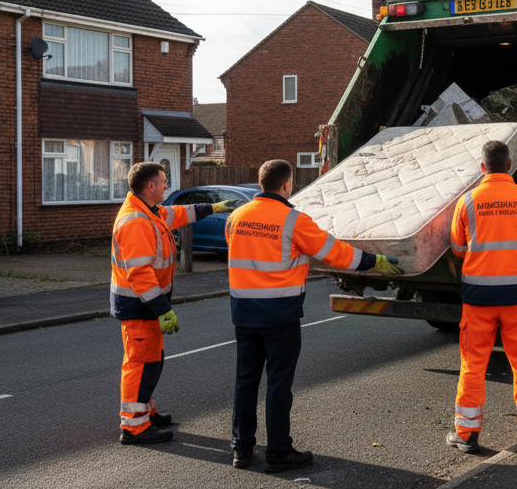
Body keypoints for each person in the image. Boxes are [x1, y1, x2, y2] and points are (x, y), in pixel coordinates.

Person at [224, 159, 402, 472]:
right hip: (280, 315)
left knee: (245, 382)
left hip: (244, 313)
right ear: (286, 184)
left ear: (261, 183)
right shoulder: (293, 220)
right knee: (278, 385)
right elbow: (335, 252)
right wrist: (374, 261)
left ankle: (241, 448)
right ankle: (278, 451)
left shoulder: (236, 217)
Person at [113, 162, 240, 445]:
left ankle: (145, 413)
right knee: (140, 364)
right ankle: (133, 427)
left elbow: (179, 213)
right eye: (164, 181)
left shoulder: (151, 211)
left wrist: (213, 208)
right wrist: (162, 309)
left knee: (152, 361)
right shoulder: (136, 221)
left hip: (145, 305)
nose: (167, 186)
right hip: (140, 306)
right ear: (150, 187)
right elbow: (139, 272)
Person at [446, 140, 517, 454]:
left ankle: (466, 435)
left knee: (473, 365)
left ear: (483, 168)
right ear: (509, 166)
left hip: (479, 299)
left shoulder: (466, 202)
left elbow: (458, 248)